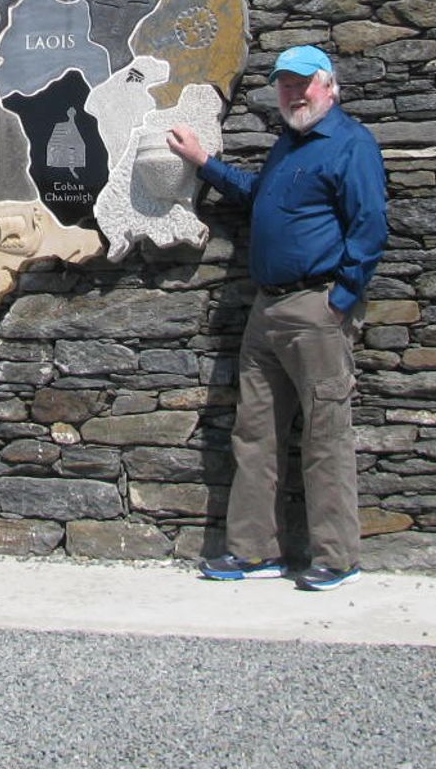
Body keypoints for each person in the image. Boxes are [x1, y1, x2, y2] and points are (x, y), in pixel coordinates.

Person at [166, 44, 388, 592]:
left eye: (301, 84)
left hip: (316, 308)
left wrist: (342, 297)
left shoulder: (350, 144)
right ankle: (252, 551)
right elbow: (258, 195)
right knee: (255, 433)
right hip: (266, 309)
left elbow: (371, 225)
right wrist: (204, 164)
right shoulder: (287, 145)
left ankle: (337, 558)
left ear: (328, 86)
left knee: (325, 435)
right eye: (284, 85)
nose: (292, 93)